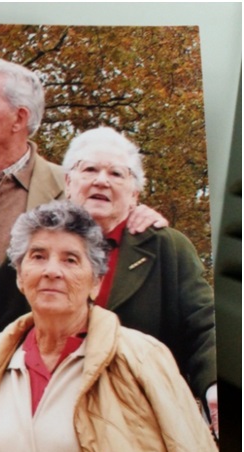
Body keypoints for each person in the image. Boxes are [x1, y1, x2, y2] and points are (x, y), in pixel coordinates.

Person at [0, 202, 220, 452]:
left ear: (96, 281)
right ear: (19, 275)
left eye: (71, 260)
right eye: (38, 256)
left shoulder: (138, 358)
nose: (52, 271)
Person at [0, 59, 166, 345]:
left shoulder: (75, 187)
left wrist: (141, 214)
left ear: (19, 118)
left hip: (35, 360)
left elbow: (116, 221)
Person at [62, 127, 218, 434]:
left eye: (117, 174)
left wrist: (214, 383)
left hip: (140, 423)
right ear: (68, 183)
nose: (101, 180)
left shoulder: (166, 248)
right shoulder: (39, 246)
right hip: (54, 417)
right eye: (89, 169)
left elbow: (205, 324)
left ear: (134, 194)